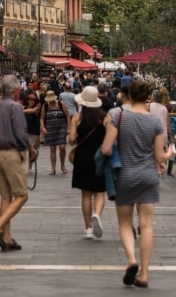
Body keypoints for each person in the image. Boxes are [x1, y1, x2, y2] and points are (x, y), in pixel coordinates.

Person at [101, 79, 175, 288]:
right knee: (147, 225)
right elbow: (160, 157)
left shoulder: (119, 117)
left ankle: (131, 260)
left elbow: (106, 149)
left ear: (129, 96)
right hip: (149, 176)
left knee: (125, 223)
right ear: (147, 98)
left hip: (125, 175)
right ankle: (144, 273)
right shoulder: (155, 122)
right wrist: (169, 153)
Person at [0, 76, 36, 252]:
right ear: (14, 90)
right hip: (10, 154)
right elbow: (20, 133)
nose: (20, 91)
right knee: (21, 195)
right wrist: (30, 149)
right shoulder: (16, 107)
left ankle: (7, 238)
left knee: (5, 196)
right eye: (18, 88)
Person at [69, 86, 110, 239]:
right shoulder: (105, 118)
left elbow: (72, 140)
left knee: (86, 194)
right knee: (99, 192)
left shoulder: (77, 118)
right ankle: (97, 215)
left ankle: (88, 228)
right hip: (100, 157)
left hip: (82, 158)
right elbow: (110, 139)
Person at [41, 90, 70, 174]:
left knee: (62, 147)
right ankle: (53, 168)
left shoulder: (61, 104)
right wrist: (43, 128)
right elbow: (42, 118)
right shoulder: (45, 106)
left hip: (61, 127)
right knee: (52, 148)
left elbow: (67, 116)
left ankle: (63, 165)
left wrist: (69, 127)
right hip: (50, 128)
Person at [22, 90, 43, 173]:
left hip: (34, 131)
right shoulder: (23, 107)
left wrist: (20, 110)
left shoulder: (37, 108)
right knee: (23, 150)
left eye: (33, 100)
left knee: (32, 150)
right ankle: (23, 166)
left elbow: (33, 111)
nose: (31, 101)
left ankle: (30, 167)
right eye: (30, 100)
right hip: (25, 131)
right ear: (27, 100)